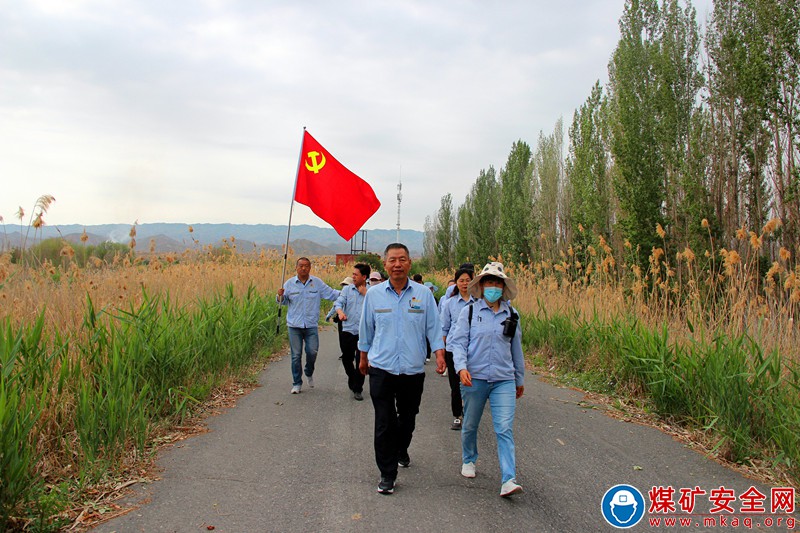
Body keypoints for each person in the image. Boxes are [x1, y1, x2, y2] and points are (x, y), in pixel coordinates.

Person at [358, 243, 445, 495]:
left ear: (409, 263)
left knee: (407, 419)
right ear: (385, 264)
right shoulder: (374, 295)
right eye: (393, 260)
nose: (397, 264)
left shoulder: (424, 294)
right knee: (384, 422)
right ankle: (387, 473)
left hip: (412, 369)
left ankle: (401, 448)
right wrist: (363, 358)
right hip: (382, 368)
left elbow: (433, 327)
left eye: (402, 259)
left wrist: (439, 353)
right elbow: (367, 329)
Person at [448, 261, 525, 497]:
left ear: (503, 287)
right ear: (481, 287)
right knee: (470, 423)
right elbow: (458, 343)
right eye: (489, 282)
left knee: (503, 428)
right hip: (475, 378)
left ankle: (508, 479)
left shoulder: (511, 314)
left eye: (497, 283)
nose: (493, 286)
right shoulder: (469, 312)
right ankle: (469, 459)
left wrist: (519, 378)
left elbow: (516, 349)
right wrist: (461, 368)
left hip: (503, 379)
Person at [277, 257, 340, 394]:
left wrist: (348, 293)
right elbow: (283, 302)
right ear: (296, 267)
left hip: (311, 325)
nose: (303, 268)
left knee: (312, 352)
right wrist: (280, 296)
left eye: (306, 266)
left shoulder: (316, 283)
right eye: (301, 266)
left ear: (310, 267)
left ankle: (308, 371)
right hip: (294, 325)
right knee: (296, 355)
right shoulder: (289, 284)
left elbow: (331, 294)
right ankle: (297, 383)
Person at [438, 267, 475, 430]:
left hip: (474, 349)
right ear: (456, 283)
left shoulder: (479, 303)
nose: (465, 283)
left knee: (472, 384)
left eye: (468, 280)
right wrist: (442, 350)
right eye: (461, 280)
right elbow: (444, 328)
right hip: (453, 348)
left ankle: (470, 413)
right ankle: (457, 416)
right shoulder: (449, 303)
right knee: (455, 385)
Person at [333, 263, 370, 401]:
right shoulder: (347, 290)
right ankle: (352, 376)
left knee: (361, 359)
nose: (353, 277)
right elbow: (338, 303)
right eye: (353, 274)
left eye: (356, 274)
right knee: (347, 359)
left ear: (364, 277)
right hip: (348, 330)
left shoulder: (372, 292)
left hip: (363, 332)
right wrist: (340, 312)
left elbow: (378, 306)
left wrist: (366, 294)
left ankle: (358, 388)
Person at [326, 276, 353, 360]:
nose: (345, 286)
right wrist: (328, 316)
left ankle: (352, 352)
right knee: (342, 337)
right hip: (341, 319)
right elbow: (335, 306)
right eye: (344, 285)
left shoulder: (355, 295)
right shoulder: (341, 295)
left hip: (351, 319)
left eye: (347, 285)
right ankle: (345, 353)